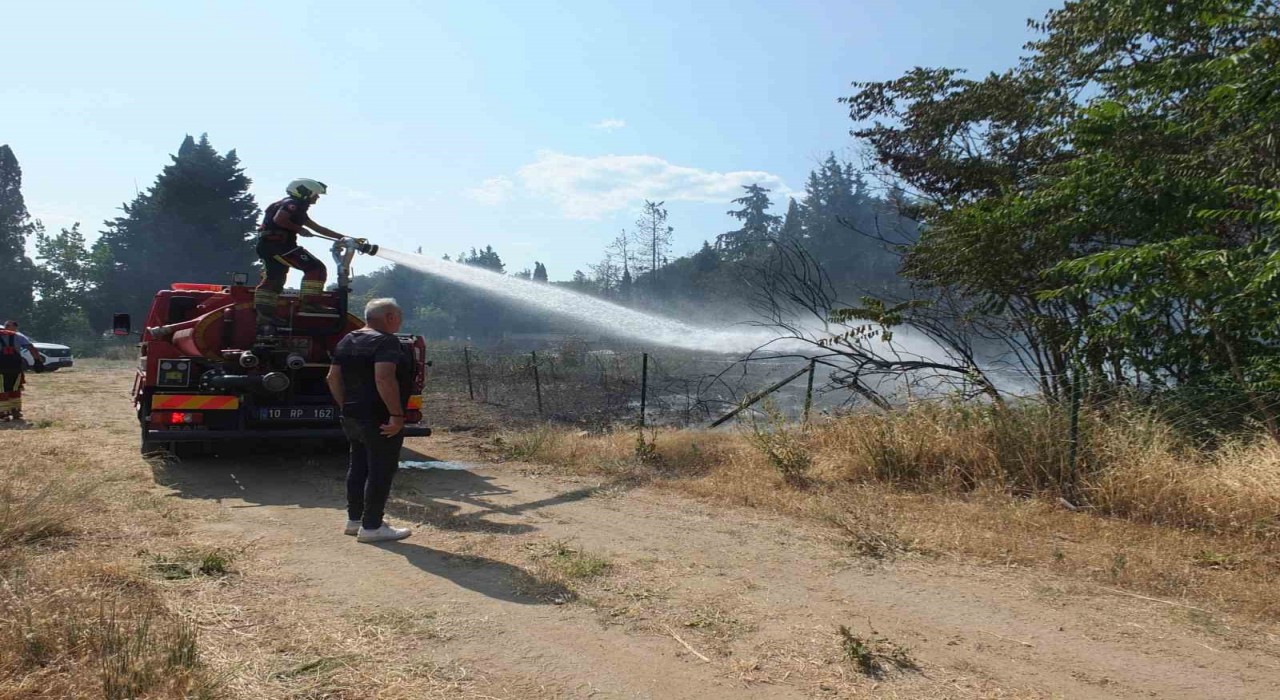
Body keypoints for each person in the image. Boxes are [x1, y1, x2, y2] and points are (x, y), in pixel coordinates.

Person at [325, 298, 413, 543]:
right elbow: (384, 379)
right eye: (399, 315)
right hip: (380, 418)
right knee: (381, 470)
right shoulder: (386, 341)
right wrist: (396, 415)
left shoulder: (348, 339)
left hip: (353, 415)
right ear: (389, 317)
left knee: (358, 467)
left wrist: (346, 407)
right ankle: (373, 527)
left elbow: (332, 378)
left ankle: (354, 521)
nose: (400, 320)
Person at [254, 178, 348, 330]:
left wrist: (345, 238)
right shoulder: (293, 204)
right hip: (279, 245)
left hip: (269, 246)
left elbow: (318, 229)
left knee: (275, 278)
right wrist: (299, 229)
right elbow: (280, 220)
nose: (317, 198)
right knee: (315, 268)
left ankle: (265, 315)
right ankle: (310, 304)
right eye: (315, 194)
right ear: (304, 192)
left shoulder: (293, 206)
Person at [0, 320, 35, 421]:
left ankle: (3, 413)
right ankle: (15, 411)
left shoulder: (17, 336)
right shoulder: (19, 336)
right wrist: (37, 361)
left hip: (2, 368)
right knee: (15, 389)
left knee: (2, 390)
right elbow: (31, 347)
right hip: (15, 368)